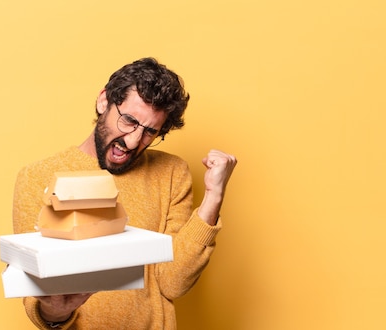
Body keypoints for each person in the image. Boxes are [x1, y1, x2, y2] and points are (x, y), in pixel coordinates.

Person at [12, 57, 237, 329]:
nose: (132, 141)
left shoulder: (171, 173)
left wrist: (213, 196)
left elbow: (173, 283)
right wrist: (56, 311)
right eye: (129, 120)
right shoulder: (36, 177)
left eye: (149, 132)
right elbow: (36, 298)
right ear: (103, 102)